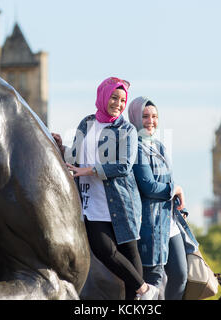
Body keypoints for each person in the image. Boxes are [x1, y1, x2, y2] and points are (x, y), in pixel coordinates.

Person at [52, 77, 159, 300]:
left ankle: (137, 298)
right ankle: (146, 290)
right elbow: (77, 157)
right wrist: (62, 147)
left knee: (130, 258)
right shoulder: (86, 123)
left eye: (122, 100)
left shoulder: (127, 129)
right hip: (92, 203)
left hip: (122, 203)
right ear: (103, 96)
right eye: (114, 97)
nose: (118, 104)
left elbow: (123, 164)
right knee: (103, 250)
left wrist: (90, 171)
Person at [128, 96, 199, 300]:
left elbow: (168, 180)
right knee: (154, 279)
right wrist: (175, 189)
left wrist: (178, 203)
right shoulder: (136, 148)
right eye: (145, 116)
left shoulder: (159, 146)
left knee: (180, 275)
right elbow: (148, 187)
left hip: (169, 222)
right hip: (150, 223)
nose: (151, 121)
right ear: (135, 118)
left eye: (155, 116)